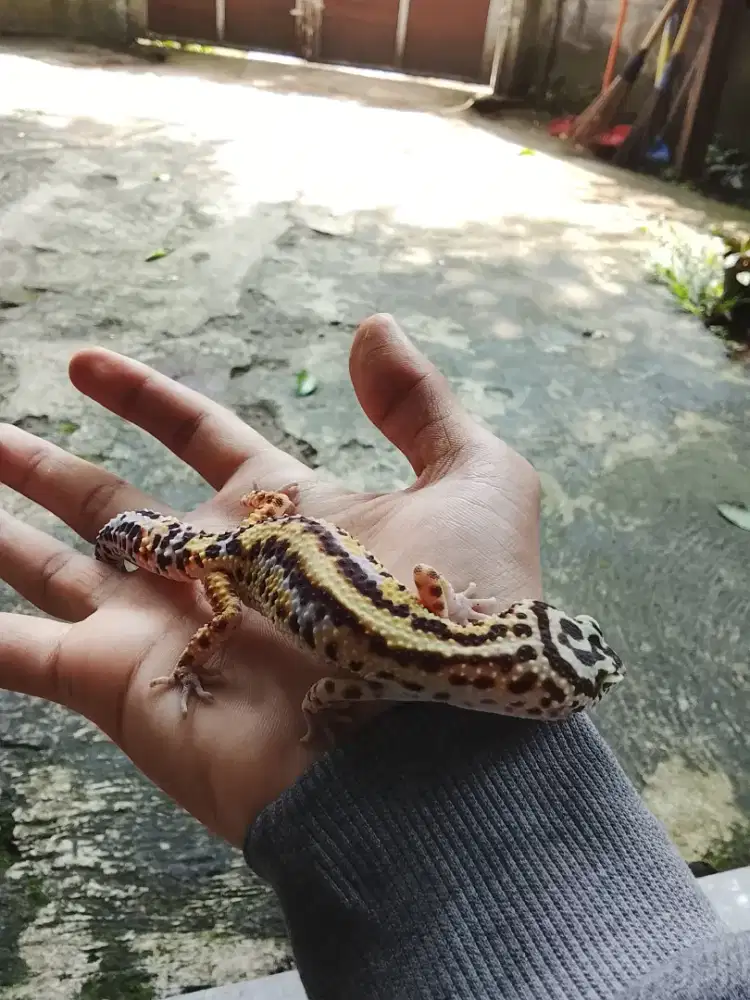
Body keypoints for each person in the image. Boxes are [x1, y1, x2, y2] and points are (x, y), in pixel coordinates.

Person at [0, 313, 747, 1000]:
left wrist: (449, 609)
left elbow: (417, 598)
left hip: (278, 538)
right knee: (218, 629)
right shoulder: (395, 674)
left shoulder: (425, 653)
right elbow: (323, 699)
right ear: (516, 688)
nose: (580, 702)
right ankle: (180, 635)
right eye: (572, 692)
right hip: (234, 561)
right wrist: (274, 708)